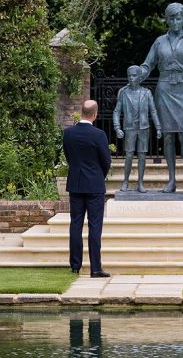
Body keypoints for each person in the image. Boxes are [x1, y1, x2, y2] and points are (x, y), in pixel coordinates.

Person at [139, 2, 183, 193]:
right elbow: (148, 65)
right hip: (164, 89)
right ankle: (171, 180)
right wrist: (139, 72)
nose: (175, 21)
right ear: (167, 20)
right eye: (171, 18)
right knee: (168, 137)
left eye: (178, 18)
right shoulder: (159, 41)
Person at [62, 100, 112, 278]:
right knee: (94, 226)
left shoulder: (68, 133)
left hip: (76, 184)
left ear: (81, 112)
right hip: (94, 185)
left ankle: (75, 265)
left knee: (75, 224)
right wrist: (99, 175)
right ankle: (95, 268)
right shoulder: (99, 135)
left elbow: (69, 157)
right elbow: (106, 161)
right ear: (94, 114)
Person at [113, 65, 162, 192]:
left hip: (143, 128)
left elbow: (153, 111)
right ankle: (125, 182)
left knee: (142, 156)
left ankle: (140, 183)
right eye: (129, 75)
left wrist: (158, 127)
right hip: (129, 128)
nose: (131, 78)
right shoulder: (123, 92)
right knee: (129, 156)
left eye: (134, 75)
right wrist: (117, 127)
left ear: (140, 77)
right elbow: (117, 112)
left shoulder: (146, 93)